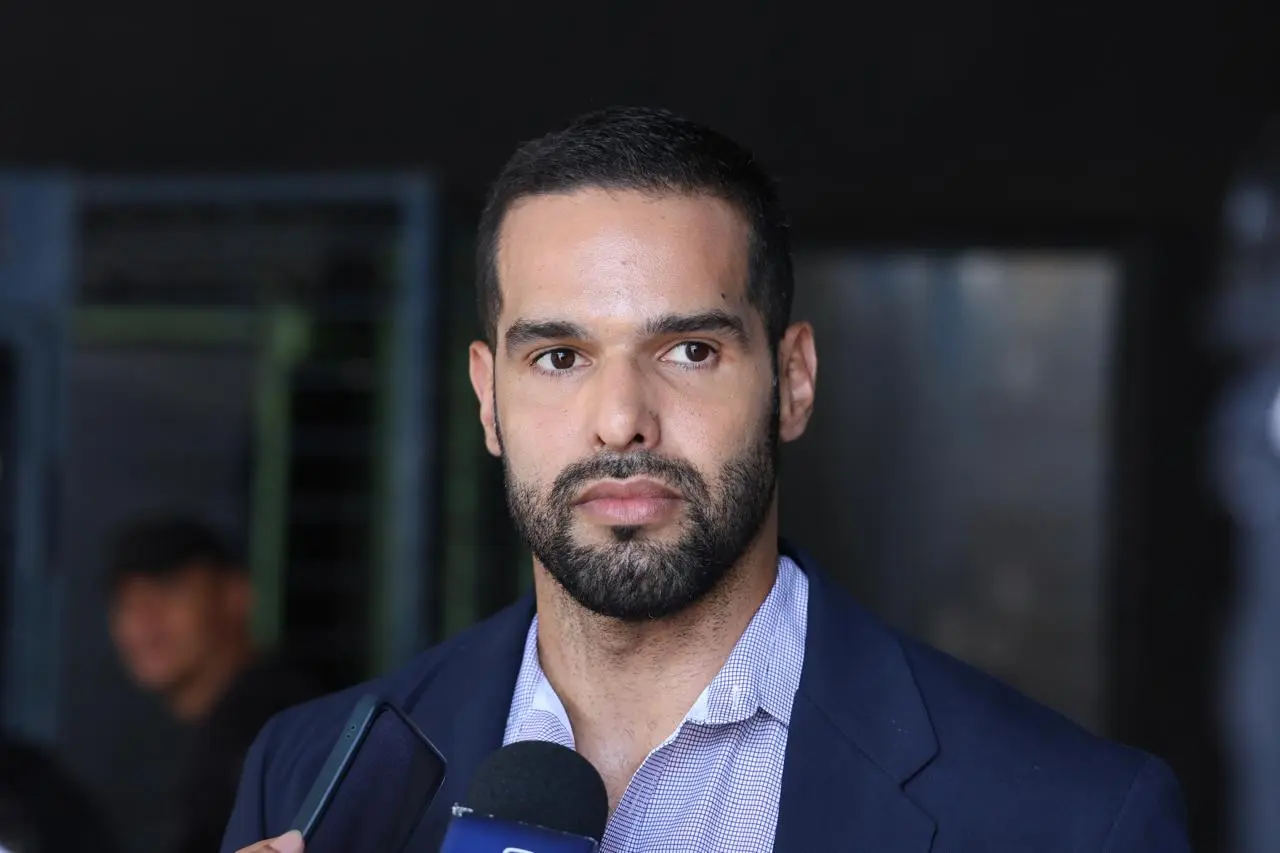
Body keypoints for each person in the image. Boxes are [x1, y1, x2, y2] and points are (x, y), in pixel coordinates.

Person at [224, 107, 1190, 853]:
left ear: (793, 381)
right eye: (559, 356)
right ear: (487, 397)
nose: (620, 418)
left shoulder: (1067, 816)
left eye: (689, 349)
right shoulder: (306, 773)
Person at [107, 515, 318, 853]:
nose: (143, 622)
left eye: (168, 591)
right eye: (128, 603)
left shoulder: (274, 724)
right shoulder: (221, 727)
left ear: (235, 595)